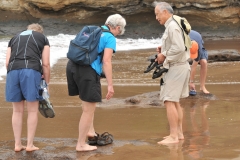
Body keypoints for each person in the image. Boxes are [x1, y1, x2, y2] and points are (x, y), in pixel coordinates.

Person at [66, 14, 126, 151]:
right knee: (89, 108)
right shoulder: (110, 37)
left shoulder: (91, 30)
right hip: (87, 71)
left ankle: (90, 131)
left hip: (72, 66)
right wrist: (110, 85)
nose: (118, 34)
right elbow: (106, 61)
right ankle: (80, 144)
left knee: (87, 103)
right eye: (119, 31)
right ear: (117, 27)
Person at [5, 23, 50, 151]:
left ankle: (17, 144)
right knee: (32, 110)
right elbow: (45, 64)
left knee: (17, 111)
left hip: (13, 71)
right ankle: (30, 145)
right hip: (31, 70)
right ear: (40, 32)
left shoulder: (14, 38)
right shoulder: (42, 38)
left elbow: (7, 62)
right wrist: (46, 83)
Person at [153, 1, 190, 144]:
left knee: (169, 100)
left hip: (176, 67)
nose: (156, 17)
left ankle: (173, 136)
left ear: (165, 12)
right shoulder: (174, 24)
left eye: (157, 14)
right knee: (175, 101)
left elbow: (179, 48)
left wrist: (164, 55)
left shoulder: (172, 26)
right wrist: (164, 49)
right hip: (181, 66)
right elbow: (178, 45)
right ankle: (178, 134)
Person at [189, 30, 210, 94]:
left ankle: (202, 86)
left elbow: (194, 66)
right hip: (184, 43)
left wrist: (191, 82)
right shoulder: (180, 40)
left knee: (204, 62)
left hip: (197, 42)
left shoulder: (199, 48)